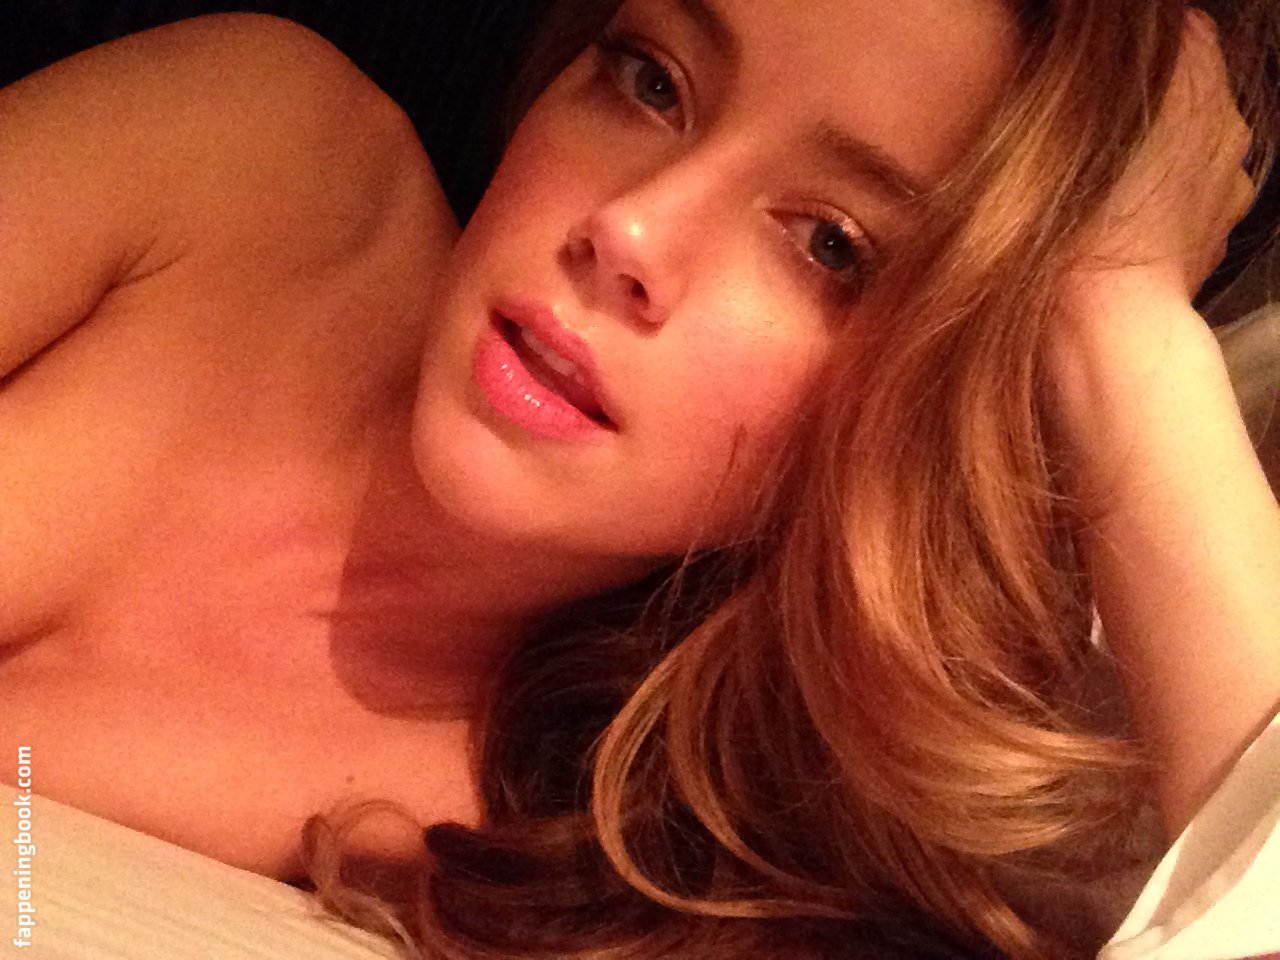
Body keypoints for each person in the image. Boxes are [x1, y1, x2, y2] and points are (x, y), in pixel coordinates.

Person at [0, 0, 1276, 957]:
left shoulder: (610, 881)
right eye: (651, 80)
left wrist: (1120, 327)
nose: (629, 228)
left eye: (831, 246)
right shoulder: (253, 163)